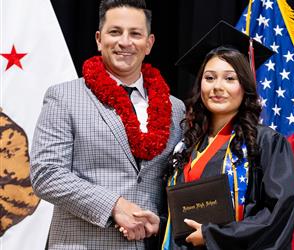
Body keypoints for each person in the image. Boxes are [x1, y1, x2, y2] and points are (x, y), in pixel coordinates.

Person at [29, 0, 184, 249]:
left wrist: (162, 220)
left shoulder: (176, 109)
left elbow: (173, 181)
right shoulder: (64, 96)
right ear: (99, 39)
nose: (125, 42)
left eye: (135, 33)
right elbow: (46, 174)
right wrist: (114, 205)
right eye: (115, 32)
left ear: (149, 43)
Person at [156, 20, 294, 249]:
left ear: (245, 85)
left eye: (230, 78)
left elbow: (278, 214)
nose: (217, 87)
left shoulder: (265, 142)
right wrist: (158, 223)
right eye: (209, 78)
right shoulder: (187, 145)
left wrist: (214, 235)